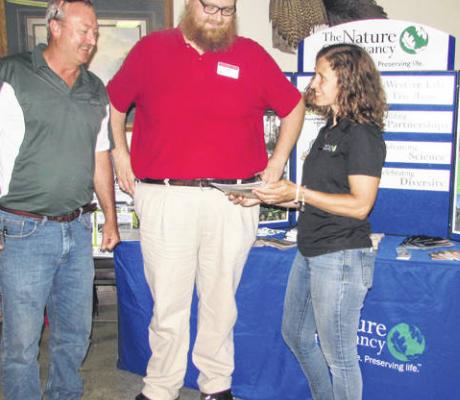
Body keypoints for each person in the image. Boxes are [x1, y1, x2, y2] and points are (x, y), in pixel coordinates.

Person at [106, 0, 305, 399]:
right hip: (164, 196)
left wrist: (277, 162)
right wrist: (119, 154)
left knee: (220, 301)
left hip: (231, 199)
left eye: (226, 10)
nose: (217, 16)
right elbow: (113, 105)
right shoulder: (150, 51)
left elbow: (294, 105)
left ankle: (216, 385)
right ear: (187, 5)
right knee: (168, 302)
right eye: (209, 7)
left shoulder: (250, 54)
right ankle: (161, 385)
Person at [0, 1, 120, 398]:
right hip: (22, 230)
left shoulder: (94, 89)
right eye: (83, 30)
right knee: (22, 343)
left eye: (95, 32)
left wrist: (111, 220)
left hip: (77, 227)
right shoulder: (11, 73)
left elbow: (100, 156)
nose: (91, 40)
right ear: (54, 27)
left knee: (74, 334)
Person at [251, 43, 387, 400]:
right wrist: (261, 195)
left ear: (346, 81)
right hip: (310, 251)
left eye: (321, 76)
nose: (313, 83)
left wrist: (298, 194)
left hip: (341, 256)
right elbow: (316, 193)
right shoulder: (330, 129)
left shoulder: (363, 134)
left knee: (340, 358)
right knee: (295, 334)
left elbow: (360, 205)